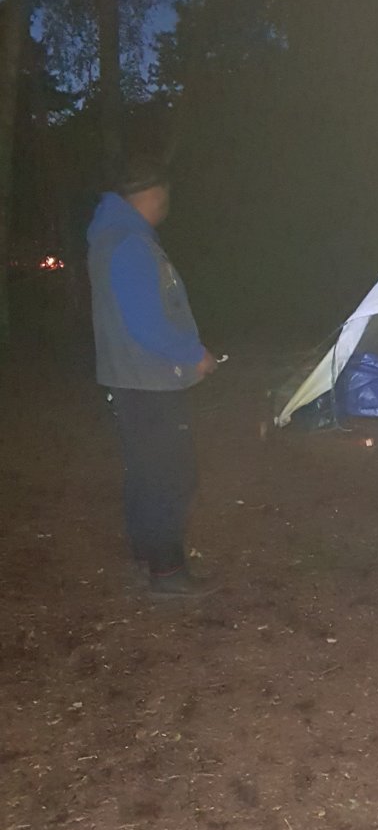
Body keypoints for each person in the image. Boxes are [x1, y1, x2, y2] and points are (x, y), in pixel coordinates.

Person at [87, 159, 217, 598]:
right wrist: (194, 354)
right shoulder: (129, 244)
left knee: (146, 472)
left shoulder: (113, 237)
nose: (167, 207)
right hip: (149, 381)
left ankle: (148, 559)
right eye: (165, 198)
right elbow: (146, 322)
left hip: (132, 379)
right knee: (171, 475)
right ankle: (167, 572)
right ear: (152, 196)